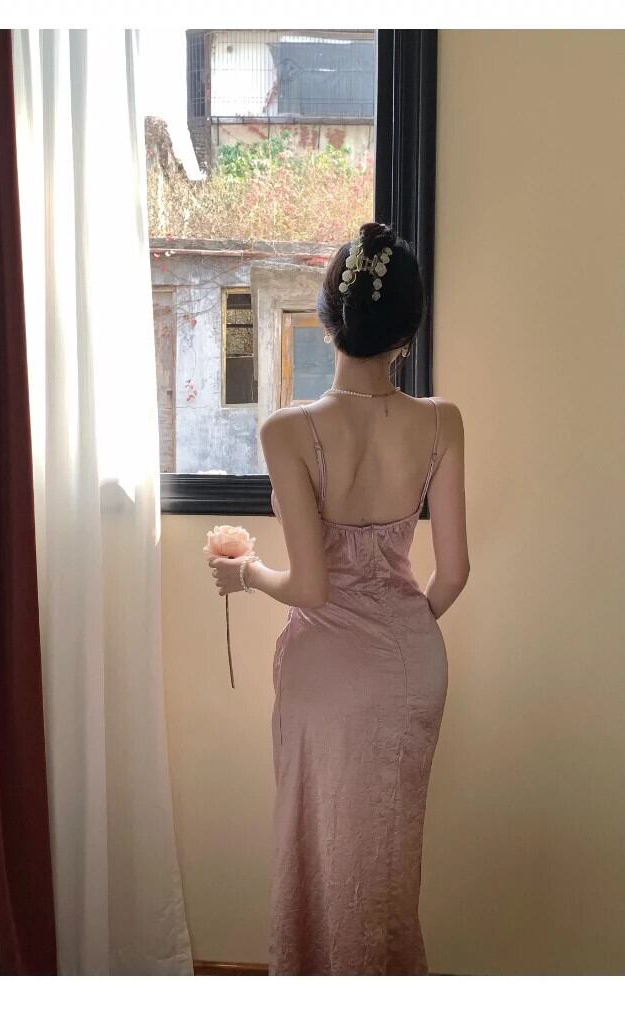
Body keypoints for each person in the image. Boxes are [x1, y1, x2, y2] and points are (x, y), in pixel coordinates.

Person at [206, 221, 470, 975]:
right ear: (407, 334)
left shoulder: (288, 430)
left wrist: (245, 573)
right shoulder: (442, 421)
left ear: (328, 320)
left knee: (317, 841)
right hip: (414, 669)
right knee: (388, 856)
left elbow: (311, 585)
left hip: (325, 671)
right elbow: (453, 572)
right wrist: (400, 627)